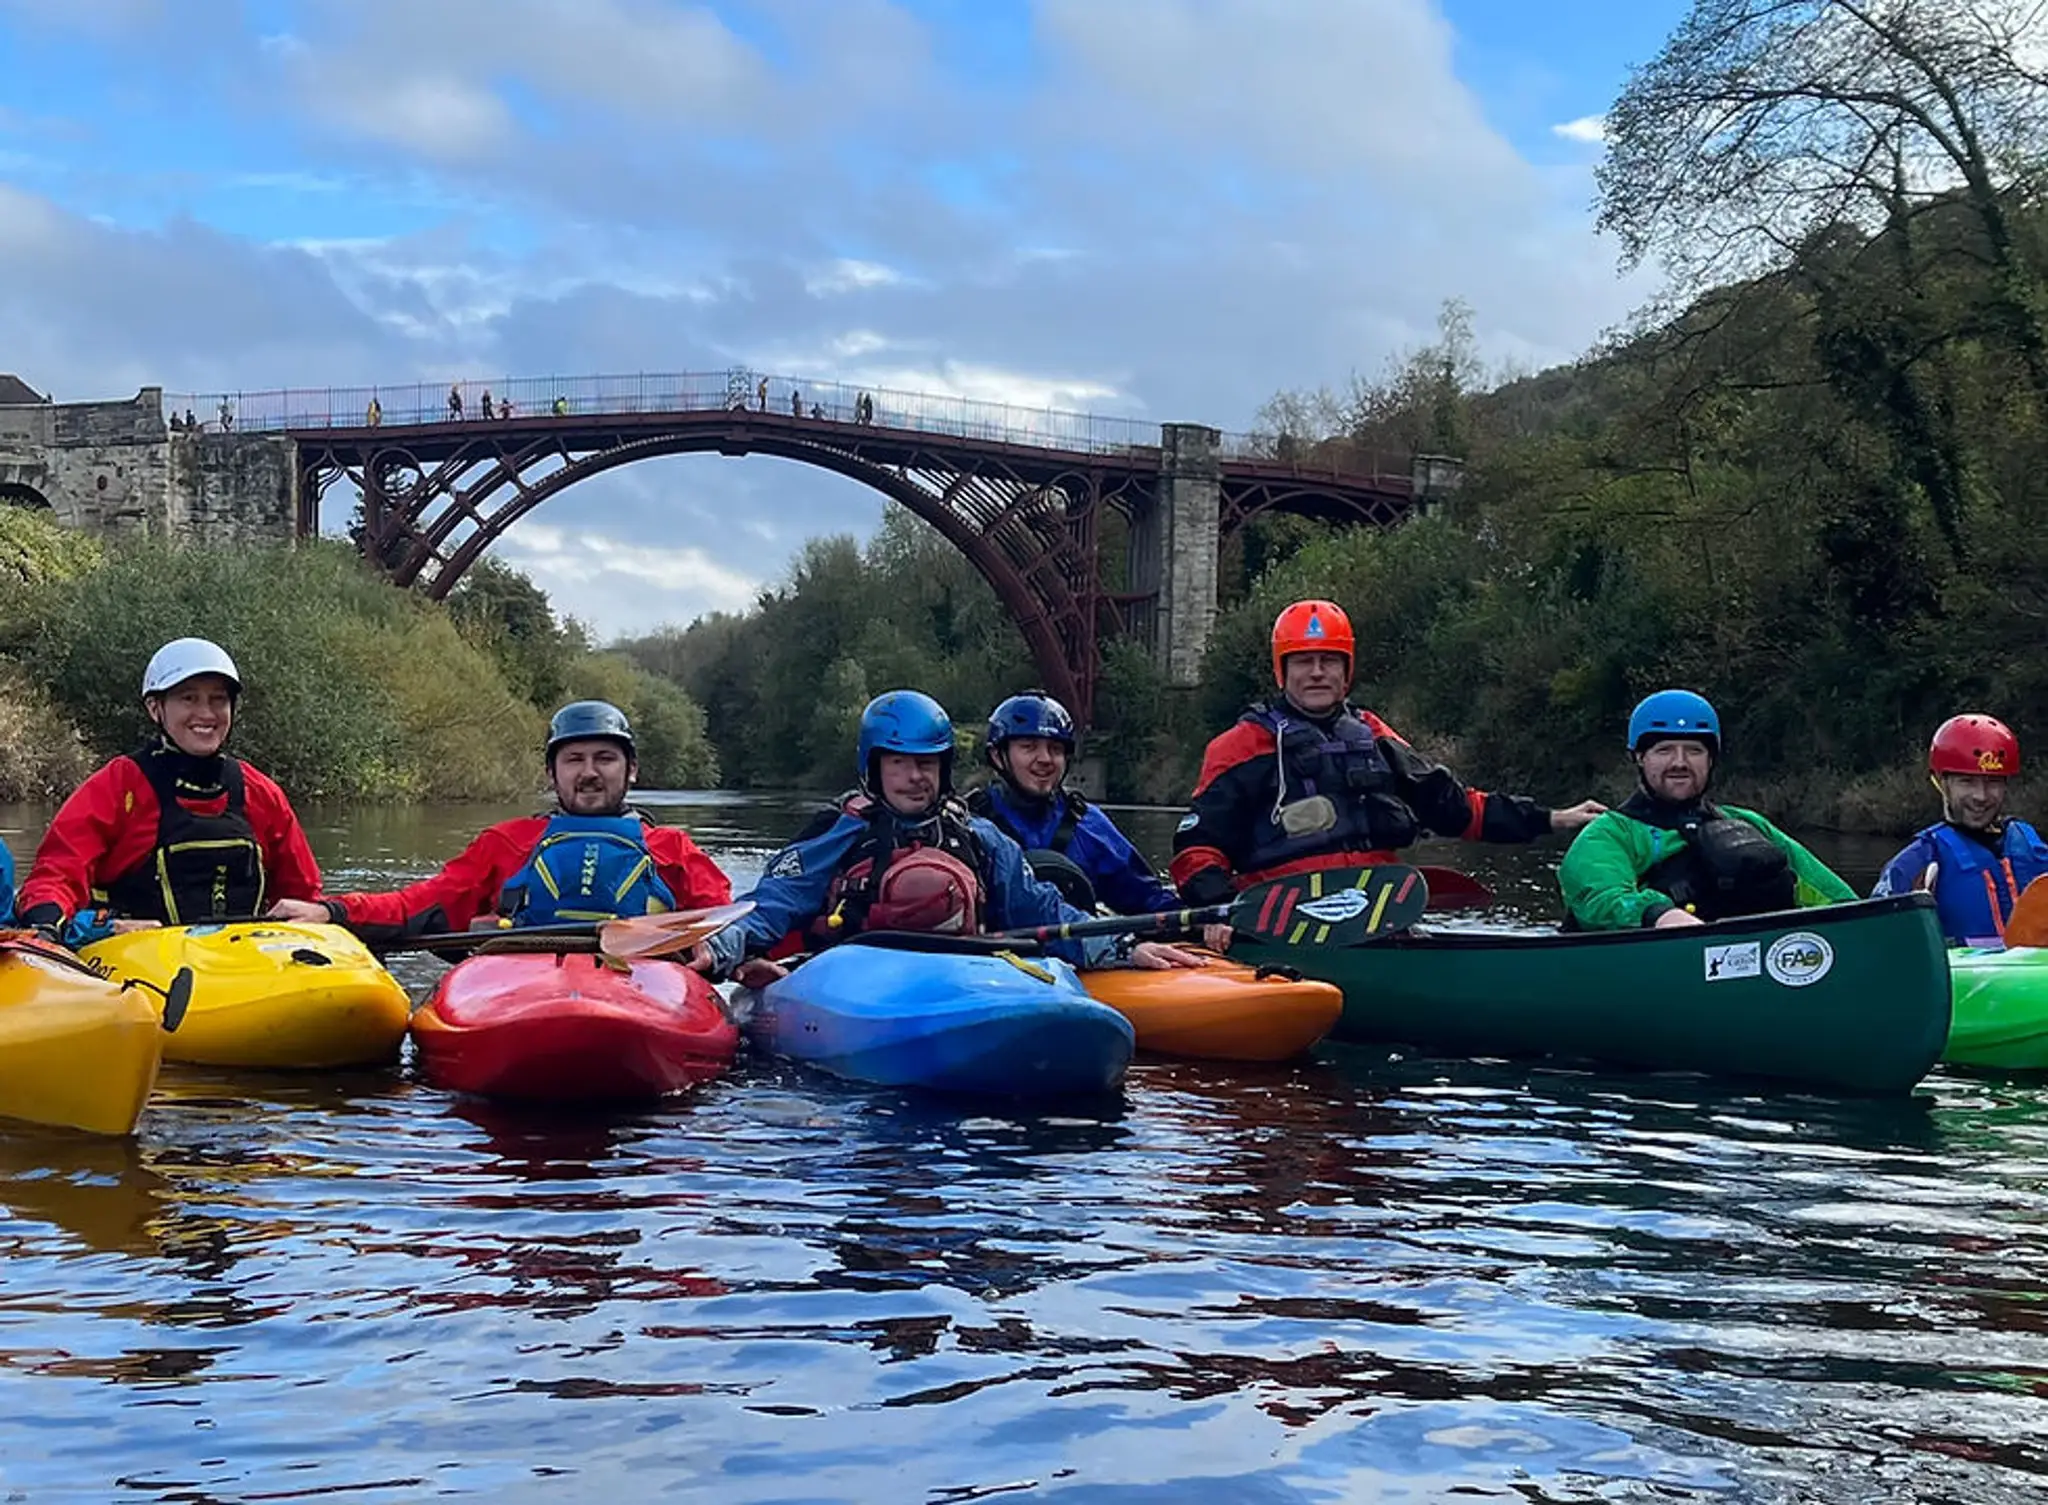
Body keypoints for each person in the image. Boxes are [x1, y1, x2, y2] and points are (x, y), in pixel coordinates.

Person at [692, 691, 1208, 983]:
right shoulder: (841, 830)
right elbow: (772, 903)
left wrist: (1123, 946)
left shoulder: (979, 837)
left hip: (960, 980)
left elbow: (1045, 912)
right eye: (900, 763)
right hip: (853, 978)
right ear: (874, 766)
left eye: (928, 764)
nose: (916, 777)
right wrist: (718, 948)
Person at [1171, 599, 1604, 934]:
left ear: (1346, 670)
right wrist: (1217, 912)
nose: (1317, 672)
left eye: (1329, 661)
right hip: (1284, 922)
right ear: (1283, 670)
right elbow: (1196, 850)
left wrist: (1552, 818)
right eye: (1303, 661)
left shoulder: (1373, 734)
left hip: (1375, 913)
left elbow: (1456, 808)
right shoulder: (1239, 746)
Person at [268, 702, 728, 939]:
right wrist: (334, 911)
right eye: (574, 760)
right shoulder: (507, 843)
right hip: (524, 984)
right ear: (551, 773)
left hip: (642, 987)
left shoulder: (673, 849)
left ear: (631, 770)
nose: (589, 772)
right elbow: (419, 904)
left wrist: (727, 954)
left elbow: (728, 924)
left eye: (605, 758)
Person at [16, 638, 325, 939]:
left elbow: (304, 899)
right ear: (155, 708)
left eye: (218, 699)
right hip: (137, 959)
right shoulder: (118, 787)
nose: (206, 713)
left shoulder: (261, 792)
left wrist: (328, 916)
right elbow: (55, 876)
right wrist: (46, 924)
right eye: (189, 698)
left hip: (244, 960)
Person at [1558, 689, 1856, 930]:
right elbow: (1599, 899)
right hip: (1657, 961)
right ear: (1639, 757)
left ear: (1710, 759)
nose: (1679, 763)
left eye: (1694, 750)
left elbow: (1835, 898)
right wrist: (1659, 915)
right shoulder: (1609, 834)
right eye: (1664, 750)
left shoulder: (1747, 823)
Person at [963, 691, 1178, 915]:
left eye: (1055, 749)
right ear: (997, 756)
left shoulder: (1088, 823)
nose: (1045, 759)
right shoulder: (969, 824)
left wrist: (1191, 918)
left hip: (1079, 936)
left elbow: (1148, 899)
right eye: (1028, 746)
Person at [1871, 714, 2048, 946]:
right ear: (1940, 781)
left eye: (1993, 782)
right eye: (1967, 781)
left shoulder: (2034, 849)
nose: (1981, 796)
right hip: (1959, 969)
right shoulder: (1915, 864)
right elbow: (1877, 944)